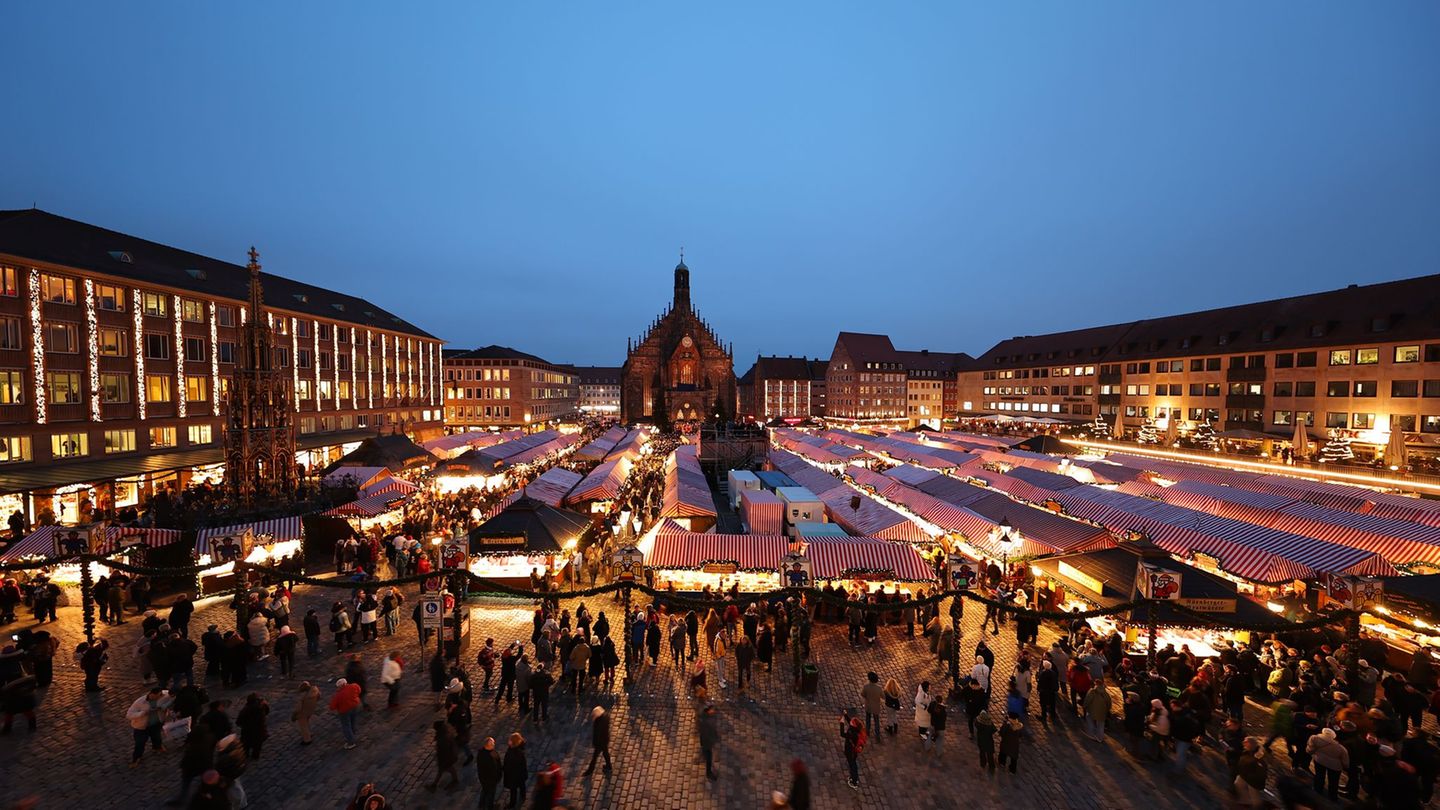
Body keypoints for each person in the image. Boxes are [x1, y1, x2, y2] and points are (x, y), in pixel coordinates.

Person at [126, 686, 173, 766]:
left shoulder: (164, 695)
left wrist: (165, 707)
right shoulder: (140, 702)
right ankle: (136, 758)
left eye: (160, 695)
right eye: (156, 696)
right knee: (140, 743)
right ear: (151, 694)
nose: (158, 698)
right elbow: (129, 715)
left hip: (156, 723)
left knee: (157, 737)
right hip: (142, 727)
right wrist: (143, 713)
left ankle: (157, 747)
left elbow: (172, 697)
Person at [426, 718, 460, 792]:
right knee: (443, 770)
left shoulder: (443, 738)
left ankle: (454, 780)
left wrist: (442, 759)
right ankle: (434, 785)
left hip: (446, 757)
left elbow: (444, 750)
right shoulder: (445, 733)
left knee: (448, 769)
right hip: (448, 756)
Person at [330, 678, 362, 749]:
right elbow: (359, 690)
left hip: (344, 711)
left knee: (346, 725)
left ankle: (351, 742)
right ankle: (353, 733)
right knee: (353, 721)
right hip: (354, 706)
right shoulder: (354, 686)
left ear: (340, 686)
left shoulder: (338, 695)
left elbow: (332, 707)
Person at [583, 705, 612, 775]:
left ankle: (590, 771)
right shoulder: (606, 716)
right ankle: (609, 766)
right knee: (605, 753)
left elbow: (597, 734)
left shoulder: (598, 723)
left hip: (600, 742)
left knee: (595, 757)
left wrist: (595, 743)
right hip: (605, 739)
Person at [476, 736, 504, 810]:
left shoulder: (481, 752)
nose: (494, 744)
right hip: (491, 781)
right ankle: (490, 807)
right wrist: (498, 777)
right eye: (493, 743)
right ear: (488, 746)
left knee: (484, 790)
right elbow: (494, 769)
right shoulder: (489, 758)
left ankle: (481, 804)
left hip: (483, 779)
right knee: (491, 794)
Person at [504, 731, 528, 809]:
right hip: (520, 775)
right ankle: (523, 796)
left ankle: (512, 804)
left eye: (510, 740)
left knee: (513, 790)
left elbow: (509, 765)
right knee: (522, 786)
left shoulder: (515, 753)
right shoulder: (519, 750)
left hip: (514, 775)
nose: (508, 741)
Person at [841, 711, 865, 789]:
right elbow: (850, 721)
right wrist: (845, 715)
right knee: (853, 763)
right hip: (853, 751)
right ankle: (854, 778)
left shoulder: (852, 734)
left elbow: (842, 734)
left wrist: (841, 723)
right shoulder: (857, 729)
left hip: (850, 751)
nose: (850, 721)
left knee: (852, 765)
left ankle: (854, 781)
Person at [1083, 678, 1110, 742]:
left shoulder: (1092, 691)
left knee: (1089, 719)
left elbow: (1087, 700)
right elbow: (1109, 703)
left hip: (1091, 710)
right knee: (1101, 724)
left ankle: (1092, 733)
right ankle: (1100, 738)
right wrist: (1107, 709)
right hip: (1102, 712)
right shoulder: (1105, 693)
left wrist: (1085, 706)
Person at [293, 680, 319, 745]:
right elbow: (319, 696)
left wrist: (294, 715)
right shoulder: (315, 690)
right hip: (310, 710)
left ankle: (307, 739)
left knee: (303, 726)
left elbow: (298, 709)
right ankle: (309, 733)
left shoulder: (303, 698)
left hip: (303, 713)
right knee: (306, 722)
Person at [698, 702, 720, 780]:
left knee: (705, 750)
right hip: (707, 742)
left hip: (704, 740)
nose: (714, 711)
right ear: (708, 711)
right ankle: (709, 773)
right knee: (709, 758)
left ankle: (703, 752)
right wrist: (714, 739)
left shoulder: (703, 716)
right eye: (712, 710)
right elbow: (709, 733)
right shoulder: (706, 722)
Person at [861, 672, 885, 739]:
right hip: (876, 707)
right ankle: (877, 734)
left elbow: (862, 694)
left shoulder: (866, 687)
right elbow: (883, 697)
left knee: (868, 719)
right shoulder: (879, 688)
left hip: (868, 706)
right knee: (876, 720)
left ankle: (867, 731)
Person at [928, 691, 948, 759]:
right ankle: (938, 753)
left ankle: (927, 747)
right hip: (940, 728)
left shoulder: (932, 704)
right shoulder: (943, 710)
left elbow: (929, 710)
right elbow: (944, 719)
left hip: (932, 725)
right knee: (940, 741)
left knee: (930, 736)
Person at [914, 681, 932, 748]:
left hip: (925, 711)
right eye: (929, 686)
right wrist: (923, 707)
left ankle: (924, 731)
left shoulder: (926, 692)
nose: (930, 687)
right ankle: (922, 733)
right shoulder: (921, 694)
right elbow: (917, 701)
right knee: (922, 723)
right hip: (922, 712)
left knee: (925, 722)